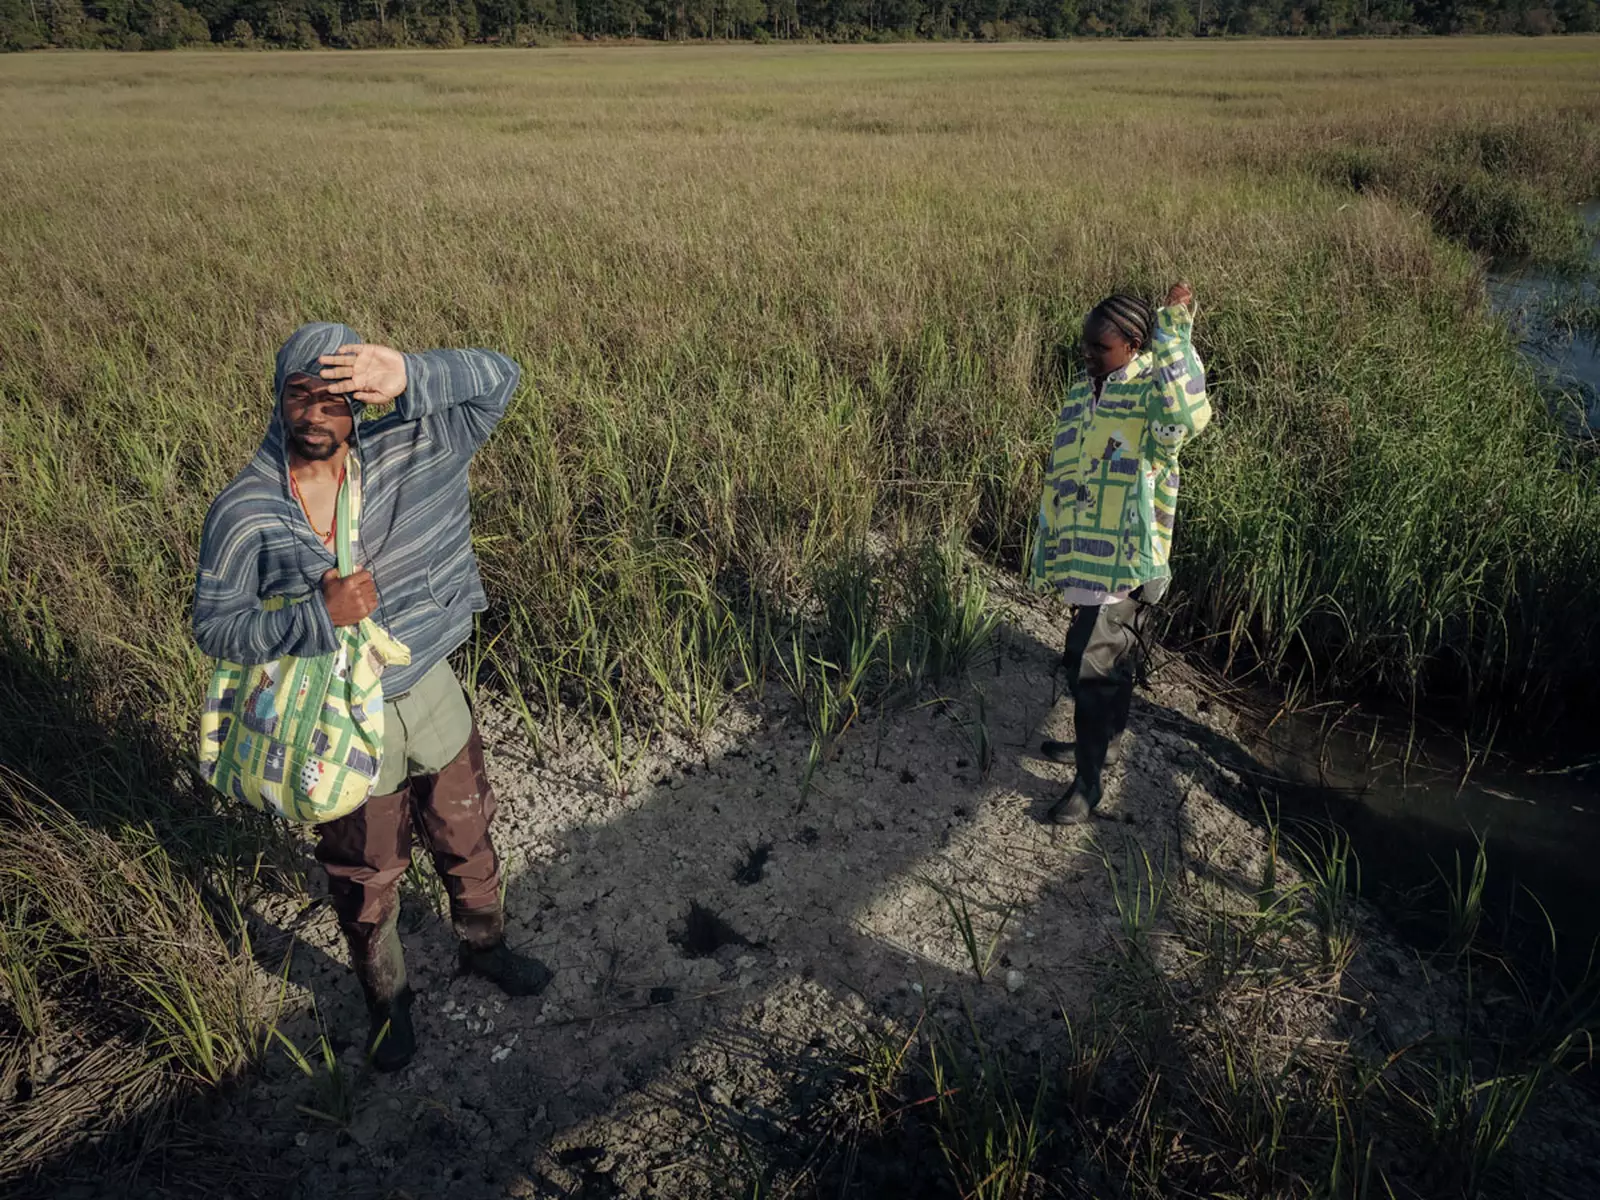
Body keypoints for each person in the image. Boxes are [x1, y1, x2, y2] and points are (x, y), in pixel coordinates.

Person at [193, 322, 552, 1071]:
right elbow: (216, 627)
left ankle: (485, 947)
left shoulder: (412, 448)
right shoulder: (246, 510)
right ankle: (388, 1003)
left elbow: (501, 379)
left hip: (428, 683)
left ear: (360, 403)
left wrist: (409, 372)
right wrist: (315, 617)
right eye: (301, 395)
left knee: (466, 827)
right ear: (278, 400)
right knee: (364, 869)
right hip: (329, 719)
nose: (316, 414)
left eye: (336, 399)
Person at [1031, 284, 1211, 824]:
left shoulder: (1153, 395)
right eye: (1085, 345)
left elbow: (1189, 412)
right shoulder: (1085, 388)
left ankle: (1087, 786)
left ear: (1134, 345)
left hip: (1128, 559)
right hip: (1087, 557)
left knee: (1088, 669)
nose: (1088, 355)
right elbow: (1066, 468)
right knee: (1115, 659)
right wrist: (1055, 541)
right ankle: (1106, 746)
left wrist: (1173, 329)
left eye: (1100, 347)